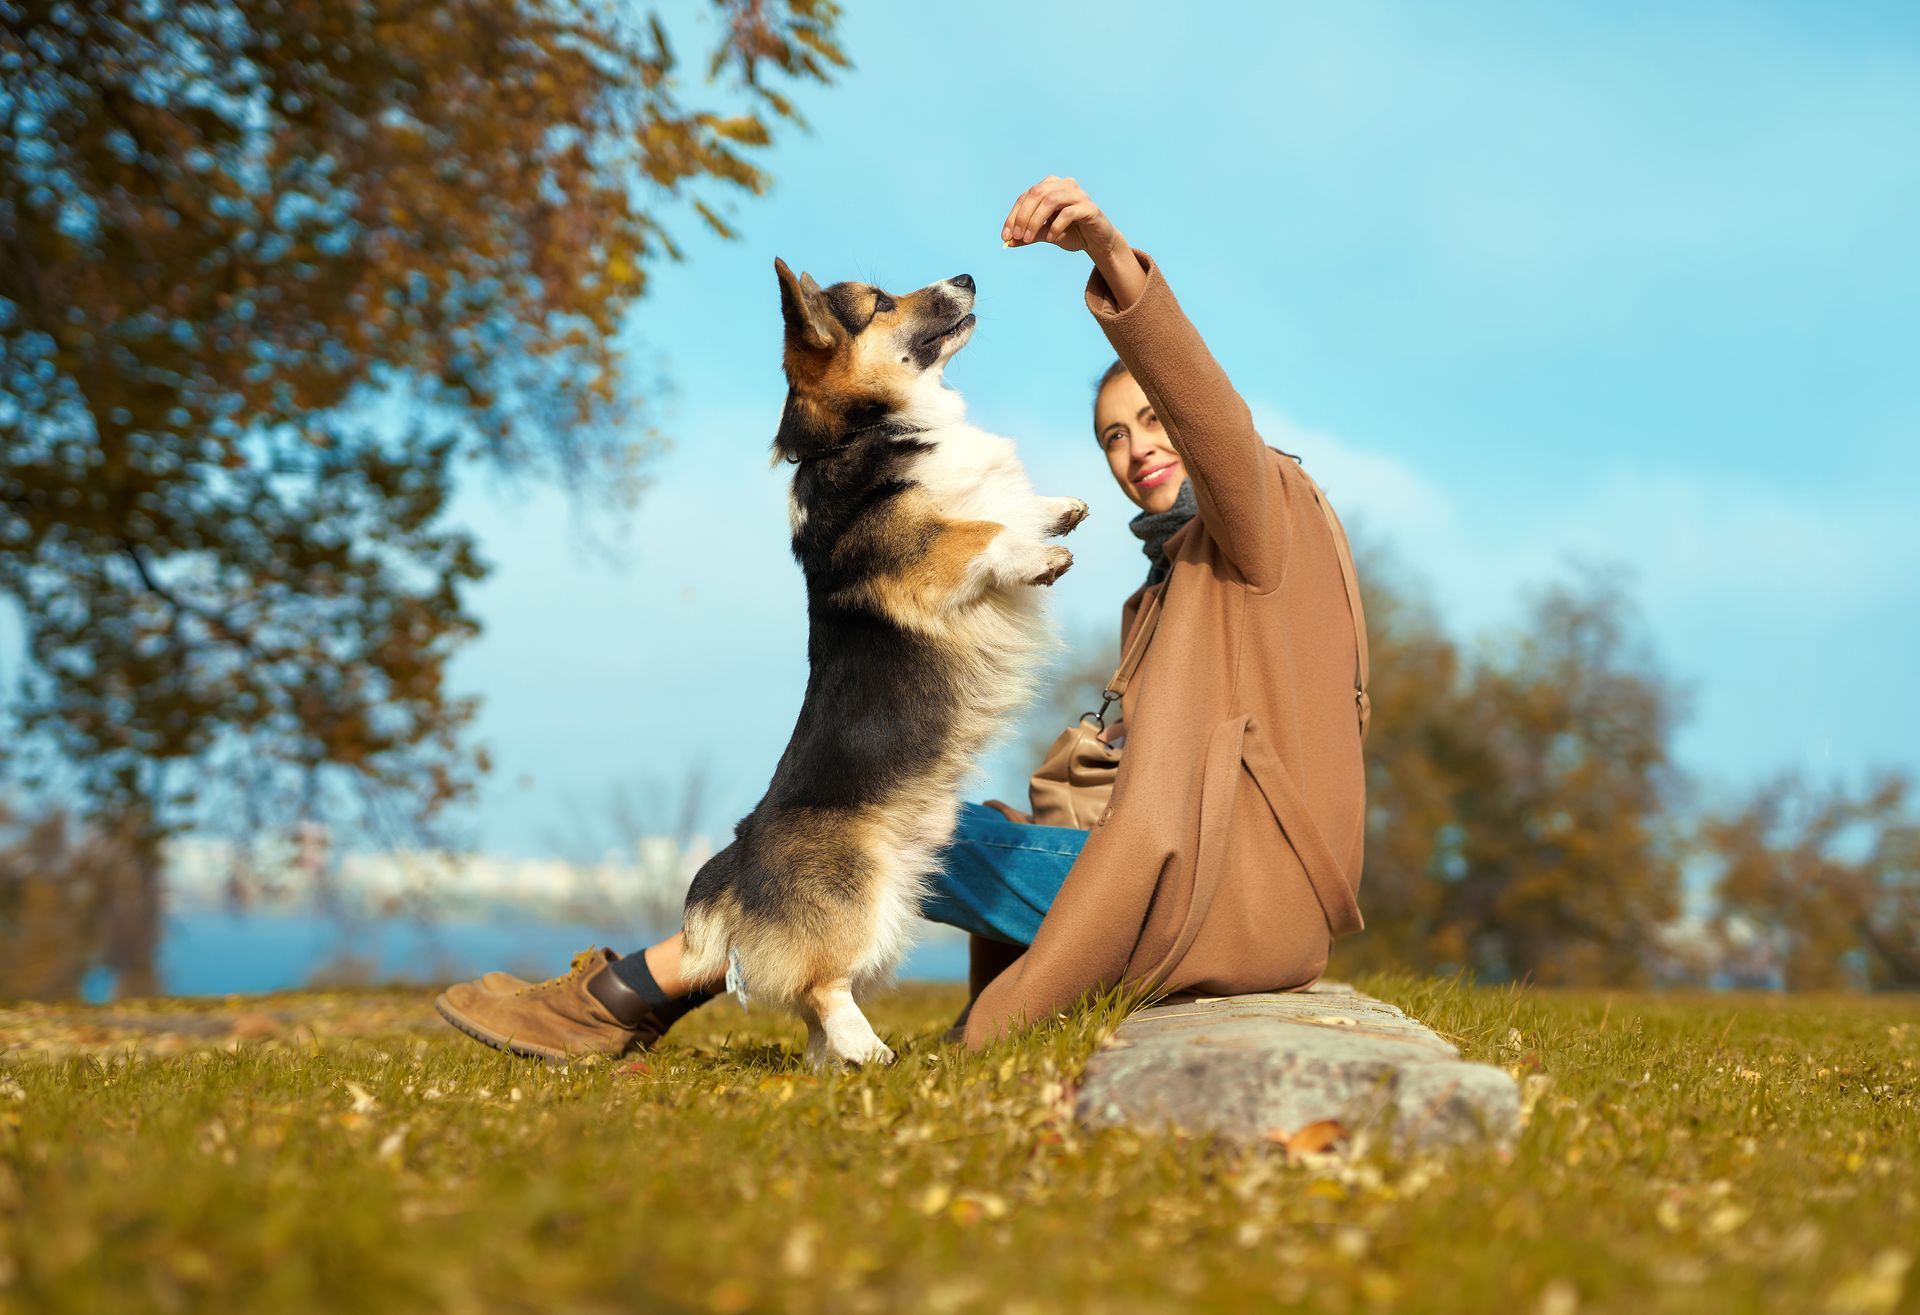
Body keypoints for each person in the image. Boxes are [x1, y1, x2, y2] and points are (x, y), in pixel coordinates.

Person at [435, 177, 1369, 1062]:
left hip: (1228, 900)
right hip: (1201, 885)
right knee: (891, 821)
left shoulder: (1263, 509)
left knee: (871, 829)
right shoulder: (1176, 577)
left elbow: (1209, 412)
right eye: (1113, 437)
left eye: (1154, 419)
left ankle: (628, 994)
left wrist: (1108, 252)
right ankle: (649, 986)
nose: (1135, 450)